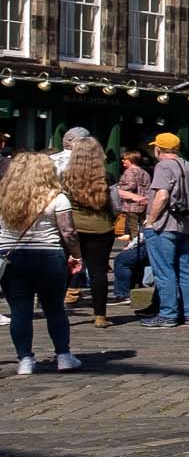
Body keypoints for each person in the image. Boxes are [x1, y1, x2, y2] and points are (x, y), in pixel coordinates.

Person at [0, 152, 81, 373]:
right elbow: (68, 232)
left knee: (19, 310)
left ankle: (25, 359)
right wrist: (76, 255)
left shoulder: (4, 196)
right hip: (49, 255)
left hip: (12, 258)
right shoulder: (57, 197)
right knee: (55, 308)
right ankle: (63, 355)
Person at [138, 132, 189, 328]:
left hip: (163, 227)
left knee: (164, 271)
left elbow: (162, 195)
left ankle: (168, 314)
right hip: (184, 228)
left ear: (158, 149)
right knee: (185, 271)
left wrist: (150, 220)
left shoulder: (163, 166)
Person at [58, 132, 113, 328]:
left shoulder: (65, 177)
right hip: (101, 229)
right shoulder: (106, 177)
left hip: (73, 227)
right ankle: (100, 315)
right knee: (98, 271)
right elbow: (112, 206)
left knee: (65, 270)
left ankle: (57, 312)